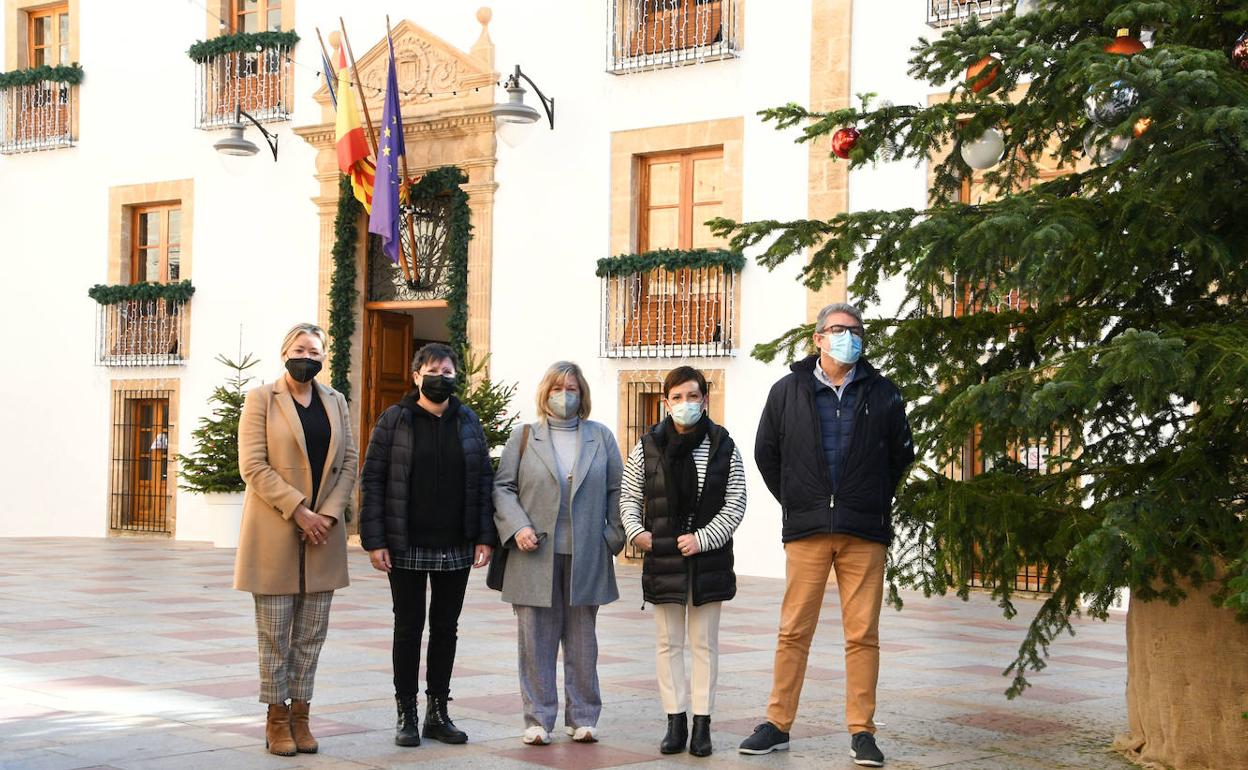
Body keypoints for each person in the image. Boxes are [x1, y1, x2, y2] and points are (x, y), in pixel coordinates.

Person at [738, 302, 914, 767]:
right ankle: (777, 724)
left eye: (856, 331)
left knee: (863, 636)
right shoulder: (787, 391)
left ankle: (862, 732)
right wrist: (799, 501)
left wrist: (870, 499)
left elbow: (900, 455)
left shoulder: (884, 393)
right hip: (808, 528)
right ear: (818, 338)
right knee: (793, 630)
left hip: (863, 531)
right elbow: (766, 453)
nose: (849, 338)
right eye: (839, 330)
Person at [359, 342, 496, 747]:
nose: (440, 378)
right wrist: (375, 540)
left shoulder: (468, 420)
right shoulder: (394, 420)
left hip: (456, 542)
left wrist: (485, 535)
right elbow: (373, 479)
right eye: (432, 370)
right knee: (408, 627)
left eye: (448, 372)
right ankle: (406, 713)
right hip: (406, 543)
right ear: (416, 376)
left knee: (446, 628)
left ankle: (438, 712)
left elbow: (484, 480)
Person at [235, 322, 358, 757]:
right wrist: (299, 510)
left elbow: (348, 460)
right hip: (275, 532)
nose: (309, 357)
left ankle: (302, 715)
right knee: (274, 634)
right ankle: (276, 718)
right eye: (301, 349)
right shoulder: (260, 399)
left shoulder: (336, 400)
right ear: (285, 351)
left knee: (311, 635)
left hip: (323, 536)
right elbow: (252, 465)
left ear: (325, 357)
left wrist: (326, 514)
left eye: (316, 351)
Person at [493, 361, 626, 746]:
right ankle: (537, 720)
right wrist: (518, 527)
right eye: (557, 388)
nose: (564, 395)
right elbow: (503, 488)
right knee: (535, 641)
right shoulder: (524, 437)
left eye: (571, 388)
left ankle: (583, 716)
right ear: (544, 392)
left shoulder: (599, 436)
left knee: (584, 641)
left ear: (582, 394)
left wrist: (611, 536)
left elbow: (619, 489)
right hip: (533, 553)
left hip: (587, 553)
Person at [620, 366, 747, 758]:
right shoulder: (647, 445)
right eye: (677, 397)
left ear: (705, 399)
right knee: (667, 643)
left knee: (704, 645)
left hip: (708, 559)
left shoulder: (724, 444)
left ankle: (702, 725)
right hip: (663, 558)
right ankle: (675, 721)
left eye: (693, 396)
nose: (685, 404)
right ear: (665, 402)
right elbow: (629, 495)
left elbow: (736, 501)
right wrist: (636, 533)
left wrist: (702, 539)